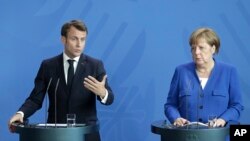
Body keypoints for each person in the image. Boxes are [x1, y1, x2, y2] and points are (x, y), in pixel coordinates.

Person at [8, 19, 114, 141]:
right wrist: (20, 113)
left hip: (86, 135)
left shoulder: (95, 65)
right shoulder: (48, 66)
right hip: (55, 135)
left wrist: (103, 93)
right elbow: (35, 99)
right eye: (74, 39)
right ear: (63, 39)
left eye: (83, 39)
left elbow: (110, 99)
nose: (79, 44)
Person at [164, 27, 244, 128]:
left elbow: (237, 106)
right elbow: (170, 105)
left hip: (218, 136)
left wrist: (223, 119)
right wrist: (176, 118)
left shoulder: (229, 71)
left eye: (201, 48)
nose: (196, 52)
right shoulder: (181, 71)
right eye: (193, 48)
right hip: (186, 136)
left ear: (213, 49)